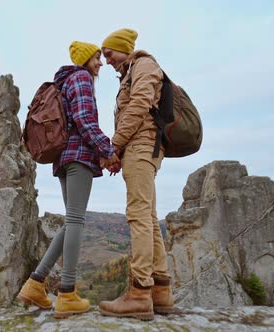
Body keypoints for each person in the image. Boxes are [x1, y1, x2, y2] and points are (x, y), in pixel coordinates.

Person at [17, 41, 119, 319]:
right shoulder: (81, 78)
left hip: (63, 159)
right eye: (96, 58)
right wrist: (107, 150)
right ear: (85, 60)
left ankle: (35, 284)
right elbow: (85, 120)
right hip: (78, 158)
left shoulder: (63, 83)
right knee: (76, 221)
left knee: (71, 220)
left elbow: (72, 122)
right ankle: (67, 293)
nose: (99, 64)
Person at [98, 28, 174, 321]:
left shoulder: (143, 65)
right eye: (103, 56)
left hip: (142, 147)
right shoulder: (133, 70)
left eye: (109, 54)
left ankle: (139, 293)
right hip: (140, 148)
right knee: (150, 218)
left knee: (138, 215)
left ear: (124, 49)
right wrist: (119, 152)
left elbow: (140, 105)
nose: (106, 61)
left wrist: (113, 146)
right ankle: (161, 292)